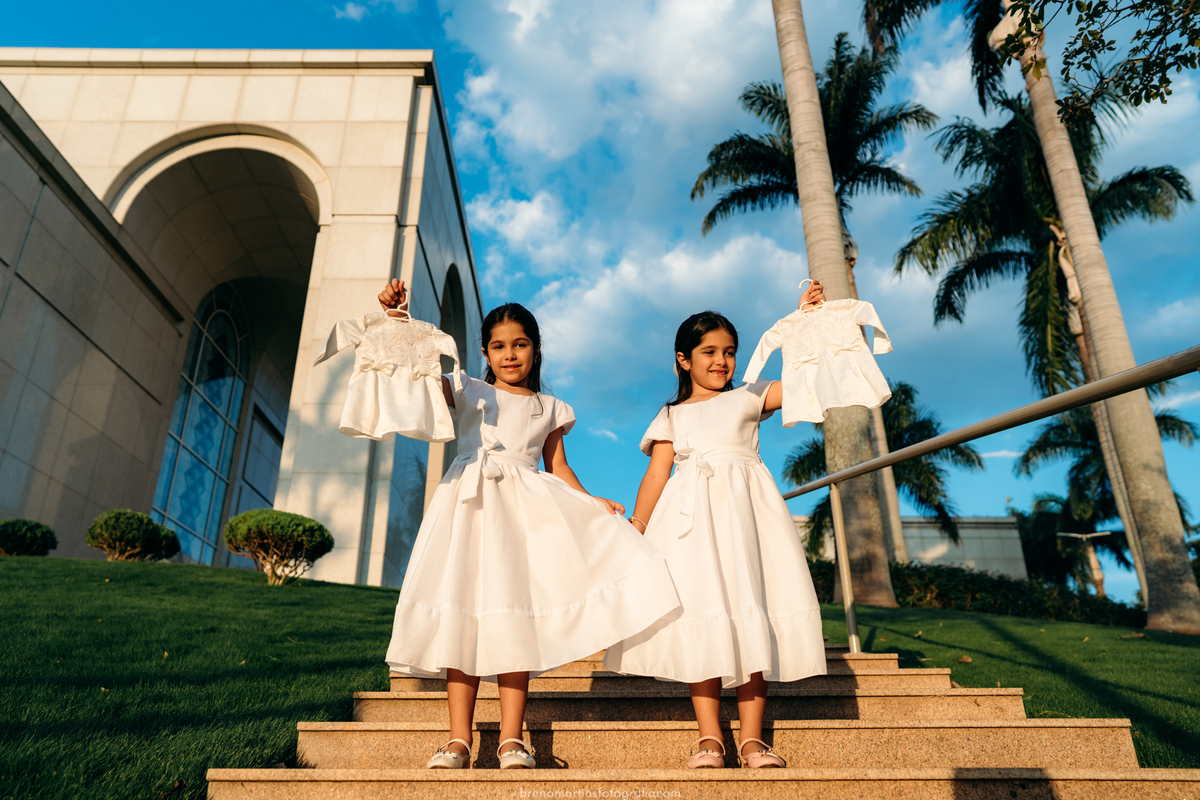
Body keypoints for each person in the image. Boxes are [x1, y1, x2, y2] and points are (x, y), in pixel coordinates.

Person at [375, 279, 679, 770]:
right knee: (462, 613)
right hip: (468, 508)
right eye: (499, 346)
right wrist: (399, 321)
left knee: (513, 614)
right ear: (484, 352)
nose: (510, 354)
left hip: (522, 514)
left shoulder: (549, 407)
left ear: (536, 350)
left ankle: (512, 738)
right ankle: (458, 740)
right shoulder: (466, 389)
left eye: (520, 344)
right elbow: (418, 380)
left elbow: (558, 467)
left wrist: (589, 501)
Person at [604, 281, 829, 769]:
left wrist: (808, 322)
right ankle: (710, 737)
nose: (721, 361)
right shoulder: (670, 415)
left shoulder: (750, 395)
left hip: (748, 517)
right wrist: (639, 526)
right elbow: (656, 475)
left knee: (752, 609)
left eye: (729, 352)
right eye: (708, 351)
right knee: (701, 616)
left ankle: (751, 739)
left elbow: (809, 384)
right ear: (683, 359)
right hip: (688, 525)